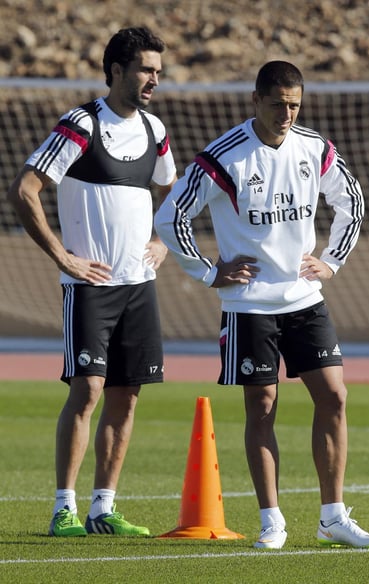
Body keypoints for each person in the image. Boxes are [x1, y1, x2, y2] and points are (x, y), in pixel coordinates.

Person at [154, 61, 369, 550]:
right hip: (248, 306)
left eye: (295, 104)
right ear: (255, 101)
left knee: (335, 397)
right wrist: (210, 271)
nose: (287, 112)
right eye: (278, 103)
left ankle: (332, 517)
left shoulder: (315, 148)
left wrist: (332, 260)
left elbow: (353, 201)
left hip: (304, 299)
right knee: (262, 406)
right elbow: (171, 215)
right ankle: (272, 521)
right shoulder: (224, 157)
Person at [8, 26, 177, 537]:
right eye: (146, 69)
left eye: (158, 72)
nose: (154, 79)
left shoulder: (155, 130)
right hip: (89, 287)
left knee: (127, 395)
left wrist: (163, 241)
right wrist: (63, 256)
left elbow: (173, 187)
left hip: (138, 284)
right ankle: (64, 508)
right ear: (117, 71)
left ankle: (103, 508)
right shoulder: (80, 125)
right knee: (88, 390)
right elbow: (26, 189)